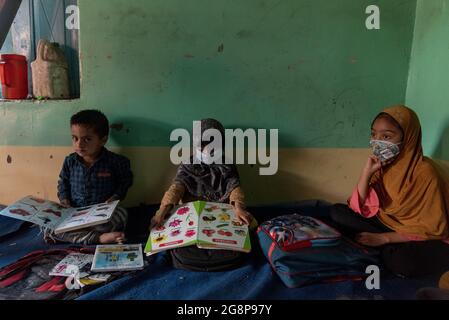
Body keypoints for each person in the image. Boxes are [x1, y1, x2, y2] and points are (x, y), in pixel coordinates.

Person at [330, 105, 449, 277]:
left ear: (408, 137)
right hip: (388, 223)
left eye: (386, 136)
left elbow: (433, 229)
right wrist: (367, 172)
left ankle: (381, 247)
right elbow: (358, 207)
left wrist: (384, 238)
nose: (377, 142)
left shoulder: (425, 173)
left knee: (403, 262)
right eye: (374, 134)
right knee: (337, 212)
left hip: (424, 236)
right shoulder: (384, 165)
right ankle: (383, 248)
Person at [151, 118, 255, 271]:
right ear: (196, 144)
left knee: (250, 224)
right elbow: (176, 188)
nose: (208, 150)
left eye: (213, 146)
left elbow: (235, 188)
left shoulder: (227, 164)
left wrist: (239, 207)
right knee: (168, 228)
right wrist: (162, 210)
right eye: (204, 145)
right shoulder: (188, 164)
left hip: (220, 213)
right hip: (191, 212)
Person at [46, 110, 133, 245]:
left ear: (103, 140)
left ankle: (84, 234)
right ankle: (100, 238)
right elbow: (63, 183)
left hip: (101, 215)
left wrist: (115, 197)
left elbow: (125, 182)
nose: (79, 144)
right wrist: (64, 200)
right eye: (75, 138)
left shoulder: (116, 162)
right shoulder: (70, 161)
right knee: (47, 225)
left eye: (87, 139)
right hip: (75, 213)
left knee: (121, 215)